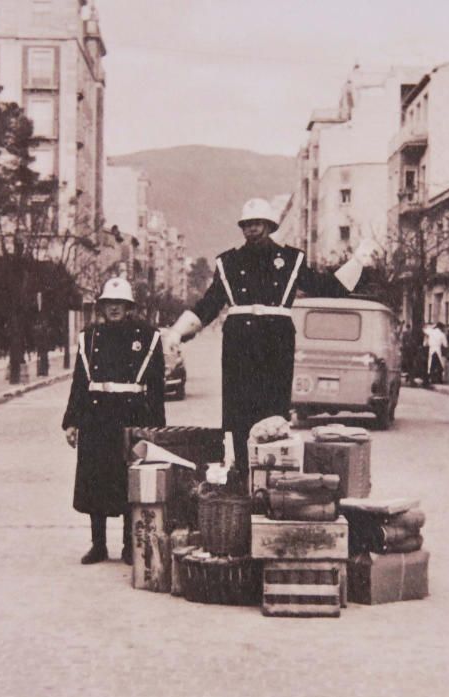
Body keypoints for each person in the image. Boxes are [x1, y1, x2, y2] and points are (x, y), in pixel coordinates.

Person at [162, 197, 372, 481]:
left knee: (273, 414)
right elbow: (209, 305)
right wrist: (177, 332)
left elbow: (327, 286)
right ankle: (241, 476)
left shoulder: (291, 259)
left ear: (270, 225)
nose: (253, 230)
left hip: (276, 342)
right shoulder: (229, 262)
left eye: (258, 224)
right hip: (239, 343)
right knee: (239, 413)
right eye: (247, 225)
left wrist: (358, 262)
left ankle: (272, 479)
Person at [62, 277, 166, 565]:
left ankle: (127, 544)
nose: (114, 308)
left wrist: (157, 428)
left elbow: (156, 387)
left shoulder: (147, 336)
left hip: (132, 415)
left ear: (129, 306)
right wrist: (72, 421)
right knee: (95, 479)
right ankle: (98, 544)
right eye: (109, 303)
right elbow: (80, 382)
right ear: (102, 307)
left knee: (128, 480)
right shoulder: (90, 337)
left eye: (120, 303)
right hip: (96, 415)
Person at [424, 322, 448, 387]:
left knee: (431, 364)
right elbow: (445, 345)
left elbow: (425, 330)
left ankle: (430, 378)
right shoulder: (442, 334)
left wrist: (432, 326)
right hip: (438, 349)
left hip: (431, 349)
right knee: (439, 365)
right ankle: (439, 379)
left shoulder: (431, 332)